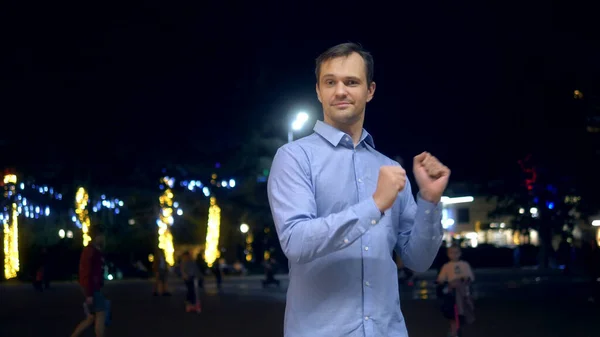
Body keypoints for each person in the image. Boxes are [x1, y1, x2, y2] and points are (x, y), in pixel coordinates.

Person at [267, 42, 450, 337]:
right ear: (318, 91)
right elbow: (296, 242)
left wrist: (429, 201)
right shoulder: (294, 158)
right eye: (330, 82)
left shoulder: (388, 168)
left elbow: (418, 259)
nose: (340, 91)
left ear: (370, 90)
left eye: (351, 82)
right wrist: (374, 205)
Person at [71, 226, 108, 337]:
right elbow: (87, 273)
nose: (103, 238)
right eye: (101, 236)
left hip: (92, 288)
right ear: (96, 237)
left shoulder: (93, 251)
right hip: (93, 288)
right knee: (101, 315)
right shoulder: (91, 251)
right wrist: (89, 293)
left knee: (91, 318)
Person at [436, 245, 475, 337]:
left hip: (462, 292)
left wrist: (463, 280)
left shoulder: (464, 265)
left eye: (456, 252)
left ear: (460, 253)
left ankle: (457, 329)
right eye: (451, 252)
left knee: (462, 312)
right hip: (451, 293)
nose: (454, 255)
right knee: (452, 313)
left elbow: (470, 277)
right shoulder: (446, 266)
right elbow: (441, 279)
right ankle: (454, 330)